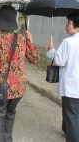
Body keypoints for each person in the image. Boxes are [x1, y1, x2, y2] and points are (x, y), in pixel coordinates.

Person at [0, 5, 40, 142]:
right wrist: (30, 39)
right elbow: (35, 59)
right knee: (10, 114)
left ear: (0, 23)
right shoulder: (23, 40)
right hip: (18, 88)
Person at [47, 13, 79, 142]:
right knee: (74, 114)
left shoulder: (68, 42)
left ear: (77, 26)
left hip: (71, 86)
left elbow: (59, 60)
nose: (66, 26)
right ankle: (67, 130)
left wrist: (51, 50)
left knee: (71, 115)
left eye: (69, 23)